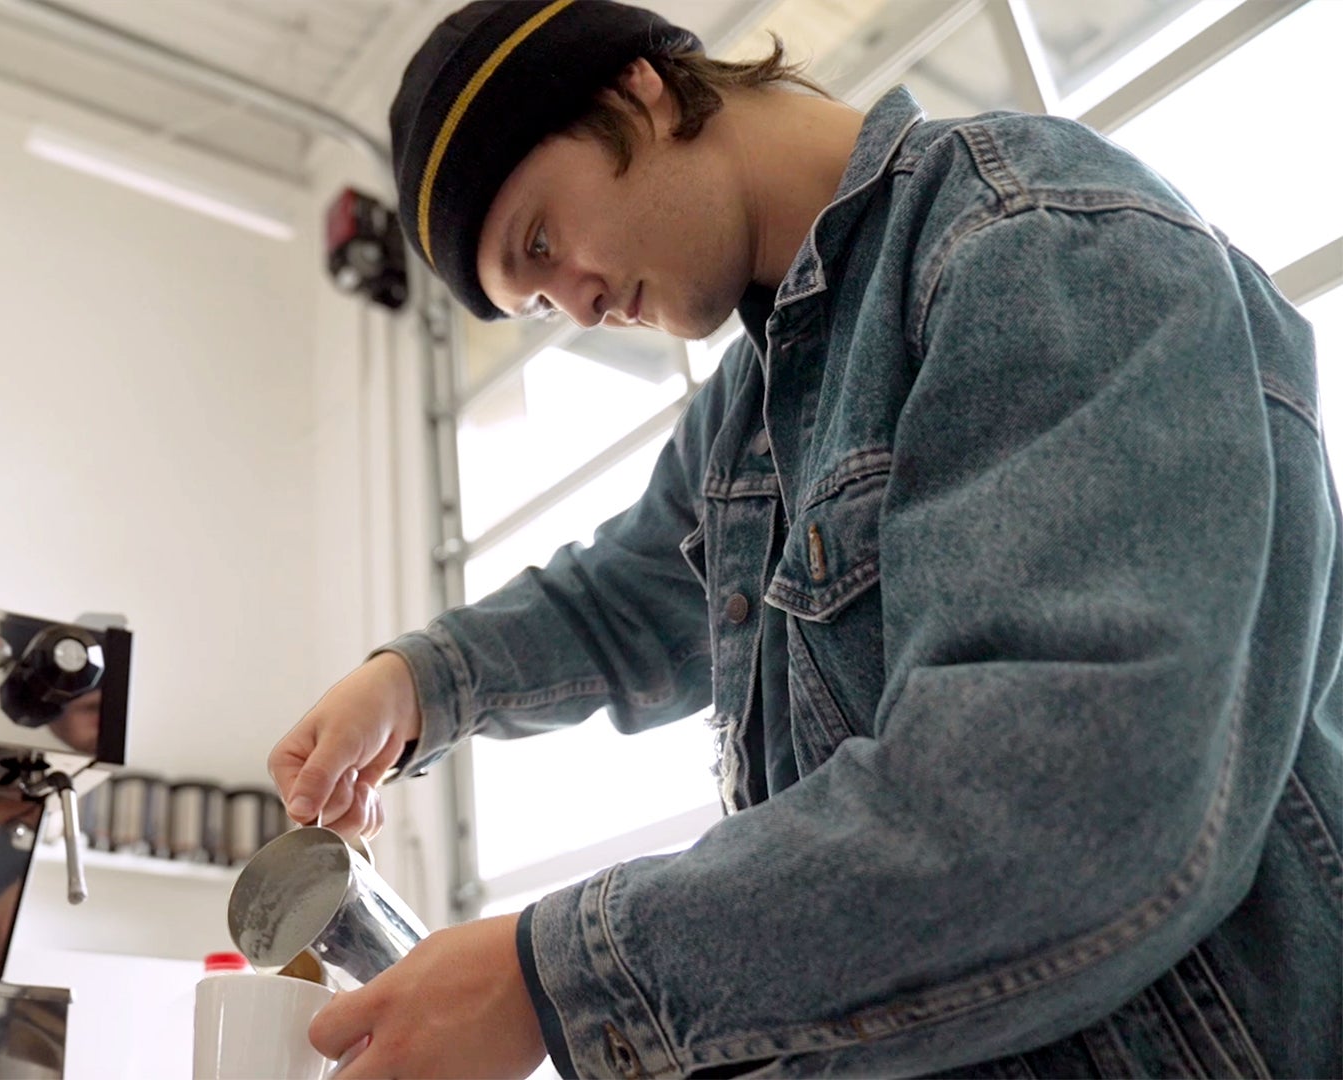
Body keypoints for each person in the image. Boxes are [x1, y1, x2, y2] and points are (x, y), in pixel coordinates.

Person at [267, 2, 1340, 1076]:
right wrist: (414, 682)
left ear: (636, 90)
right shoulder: (754, 403)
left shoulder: (1030, 236)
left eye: (541, 241)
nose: (580, 306)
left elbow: (1056, 803)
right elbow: (622, 600)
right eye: (540, 299)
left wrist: (550, 977)